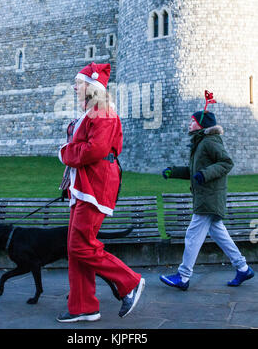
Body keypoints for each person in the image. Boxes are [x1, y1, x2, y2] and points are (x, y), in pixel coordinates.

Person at [56, 62, 145, 322]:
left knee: (81, 245)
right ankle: (83, 305)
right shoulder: (92, 113)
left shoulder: (103, 112)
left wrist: (65, 152)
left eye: (79, 82)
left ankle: (129, 282)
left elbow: (94, 150)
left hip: (95, 185)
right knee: (76, 247)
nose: (74, 87)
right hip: (83, 186)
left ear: (92, 86)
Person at [160, 103, 254, 290]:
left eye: (192, 121)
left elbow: (227, 163)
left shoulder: (210, 141)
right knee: (219, 234)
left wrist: (205, 174)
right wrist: (174, 171)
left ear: (201, 125)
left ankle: (183, 276)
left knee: (192, 235)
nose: (189, 124)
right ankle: (243, 268)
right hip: (206, 196)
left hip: (209, 198)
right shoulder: (200, 142)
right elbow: (196, 171)